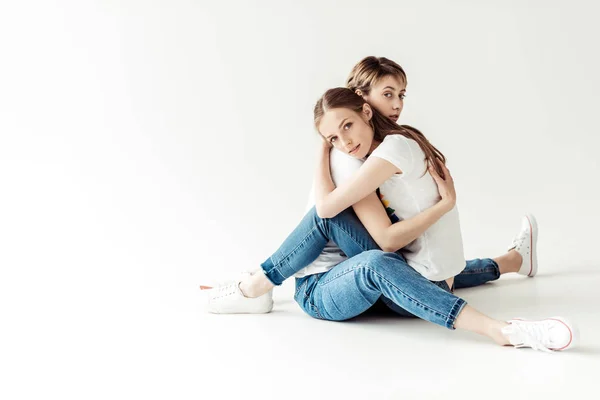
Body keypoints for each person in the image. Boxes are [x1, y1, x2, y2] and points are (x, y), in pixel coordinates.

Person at [205, 86, 577, 352]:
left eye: (347, 127)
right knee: (377, 263)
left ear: (365, 113)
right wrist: (323, 152)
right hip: (318, 293)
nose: (344, 142)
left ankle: (511, 261)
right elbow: (341, 221)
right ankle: (502, 331)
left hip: (354, 274)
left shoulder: (376, 159)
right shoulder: (350, 163)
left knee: (412, 270)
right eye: (332, 138)